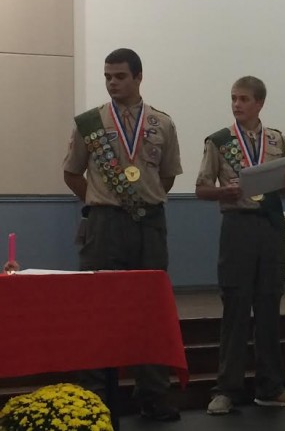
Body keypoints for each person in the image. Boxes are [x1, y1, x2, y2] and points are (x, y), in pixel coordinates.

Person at [62, 48, 182, 421]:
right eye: (108, 77)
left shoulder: (161, 124)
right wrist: (102, 201)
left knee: (150, 308)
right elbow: (71, 173)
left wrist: (139, 203)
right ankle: (95, 397)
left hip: (149, 223)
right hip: (105, 225)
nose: (112, 83)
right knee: (97, 309)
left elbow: (167, 175)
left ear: (138, 77)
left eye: (120, 76)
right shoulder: (91, 124)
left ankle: (154, 394)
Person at [196, 76, 285, 414]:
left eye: (243, 99)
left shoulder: (277, 139)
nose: (237, 104)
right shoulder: (218, 141)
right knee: (236, 308)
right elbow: (201, 188)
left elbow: (283, 193)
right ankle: (226, 389)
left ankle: (271, 386)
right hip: (238, 226)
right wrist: (222, 192)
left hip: (271, 225)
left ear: (259, 103)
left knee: (270, 307)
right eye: (233, 98)